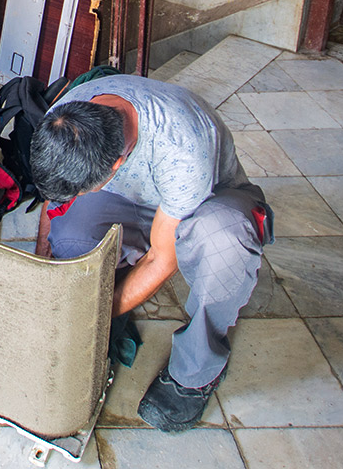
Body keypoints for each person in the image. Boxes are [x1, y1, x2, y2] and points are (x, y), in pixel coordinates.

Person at [31, 74, 273, 433]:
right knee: (73, 237)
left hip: (205, 203)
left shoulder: (181, 146)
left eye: (84, 190)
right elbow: (54, 202)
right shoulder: (65, 119)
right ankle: (109, 288)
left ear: (115, 165)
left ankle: (195, 373)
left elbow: (163, 258)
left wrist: (93, 315)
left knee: (223, 242)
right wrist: (42, 259)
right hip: (136, 196)